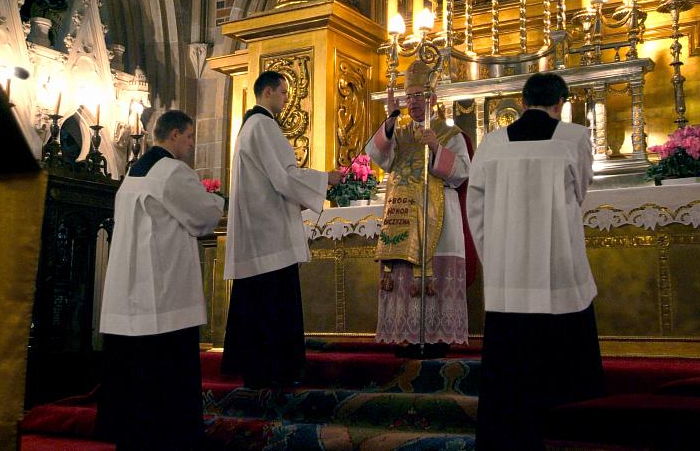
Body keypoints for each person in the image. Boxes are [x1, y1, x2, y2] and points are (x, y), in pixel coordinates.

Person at [466, 72, 605, 450]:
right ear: (559, 102)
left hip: (508, 279)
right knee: (565, 370)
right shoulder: (574, 137)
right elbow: (581, 192)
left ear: (523, 102)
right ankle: (568, 433)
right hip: (559, 270)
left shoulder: (491, 143)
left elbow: (475, 209)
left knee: (510, 374)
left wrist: (495, 258)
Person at [98, 110, 224, 450]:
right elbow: (204, 216)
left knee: (135, 384)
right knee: (166, 384)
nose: (192, 143)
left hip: (128, 296)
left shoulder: (131, 175)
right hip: (163, 297)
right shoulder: (171, 171)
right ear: (174, 135)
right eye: (189, 136)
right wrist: (219, 199)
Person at [221, 70, 342, 387]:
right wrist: (324, 179)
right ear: (269, 92)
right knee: (275, 304)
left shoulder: (249, 127)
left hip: (260, 230)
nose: (288, 99)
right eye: (285, 93)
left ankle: (259, 371)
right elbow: (285, 176)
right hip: (269, 236)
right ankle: (277, 372)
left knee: (258, 304)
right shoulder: (264, 126)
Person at [366, 60, 471, 358]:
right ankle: (405, 334)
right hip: (402, 217)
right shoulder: (398, 134)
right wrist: (388, 122)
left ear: (433, 99)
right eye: (409, 96)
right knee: (403, 273)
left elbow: (463, 171)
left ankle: (438, 337)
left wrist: (437, 148)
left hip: (440, 220)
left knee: (435, 273)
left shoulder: (451, 134)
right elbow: (377, 156)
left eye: (419, 96)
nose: (413, 102)